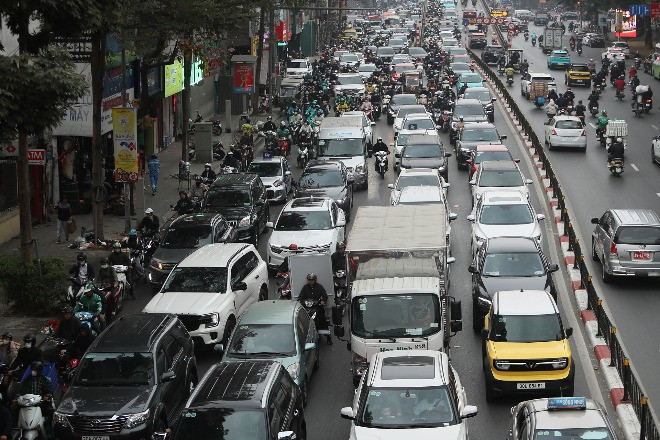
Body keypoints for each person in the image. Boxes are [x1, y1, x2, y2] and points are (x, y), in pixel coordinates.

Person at [299, 273, 332, 345]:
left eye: (312, 280)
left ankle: (328, 338)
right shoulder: (305, 288)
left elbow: (324, 295)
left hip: (318, 308)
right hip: (308, 309)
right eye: (309, 280)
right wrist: (303, 302)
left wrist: (323, 300)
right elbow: (301, 297)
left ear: (315, 280)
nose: (311, 281)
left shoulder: (319, 287)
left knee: (323, 322)